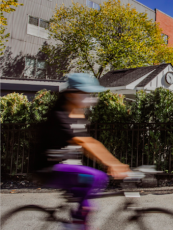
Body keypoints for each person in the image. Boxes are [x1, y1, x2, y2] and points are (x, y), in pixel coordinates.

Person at [35, 73, 130, 230]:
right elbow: (83, 143)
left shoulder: (76, 115)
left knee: (88, 195)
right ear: (72, 94)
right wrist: (112, 164)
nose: (89, 98)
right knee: (97, 177)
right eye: (85, 94)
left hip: (65, 166)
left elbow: (91, 142)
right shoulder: (61, 116)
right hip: (49, 168)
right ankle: (76, 225)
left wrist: (116, 163)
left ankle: (79, 222)